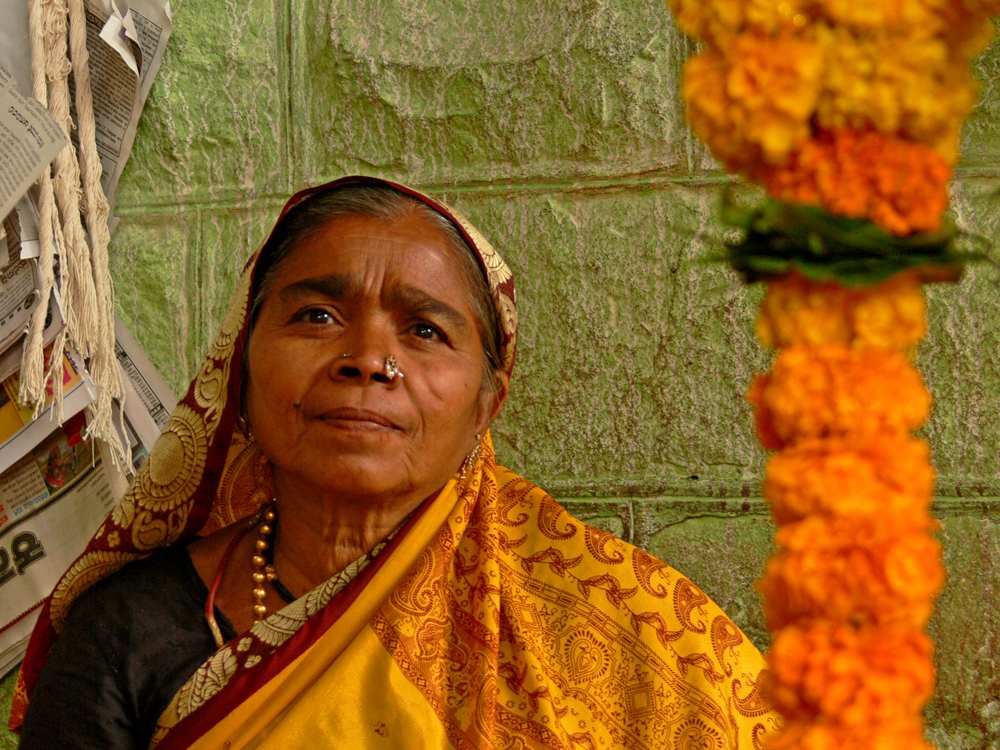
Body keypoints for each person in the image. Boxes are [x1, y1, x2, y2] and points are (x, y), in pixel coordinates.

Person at [10, 176, 778, 749]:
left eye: (425, 331)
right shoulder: (128, 632)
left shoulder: (619, 627)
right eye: (317, 316)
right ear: (237, 373)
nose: (369, 359)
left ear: (487, 402)